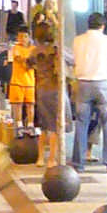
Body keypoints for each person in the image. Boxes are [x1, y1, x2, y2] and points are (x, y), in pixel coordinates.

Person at [70, 11, 107, 170]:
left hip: (83, 83)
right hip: (104, 83)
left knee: (82, 123)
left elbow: (74, 59)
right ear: (102, 26)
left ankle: (78, 163)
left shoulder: (78, 40)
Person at [29, 25, 64, 166]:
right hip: (54, 88)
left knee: (43, 125)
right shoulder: (55, 50)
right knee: (54, 126)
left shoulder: (35, 51)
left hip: (40, 88)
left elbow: (28, 64)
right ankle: (52, 159)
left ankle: (40, 158)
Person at [7, 30, 36, 131]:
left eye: (25, 36)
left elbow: (34, 63)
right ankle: (19, 125)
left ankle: (30, 125)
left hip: (30, 82)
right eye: (20, 37)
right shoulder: (16, 48)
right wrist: (28, 62)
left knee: (30, 104)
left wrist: (29, 62)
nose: (23, 39)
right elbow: (21, 61)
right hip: (17, 82)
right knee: (18, 105)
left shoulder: (33, 49)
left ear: (29, 37)